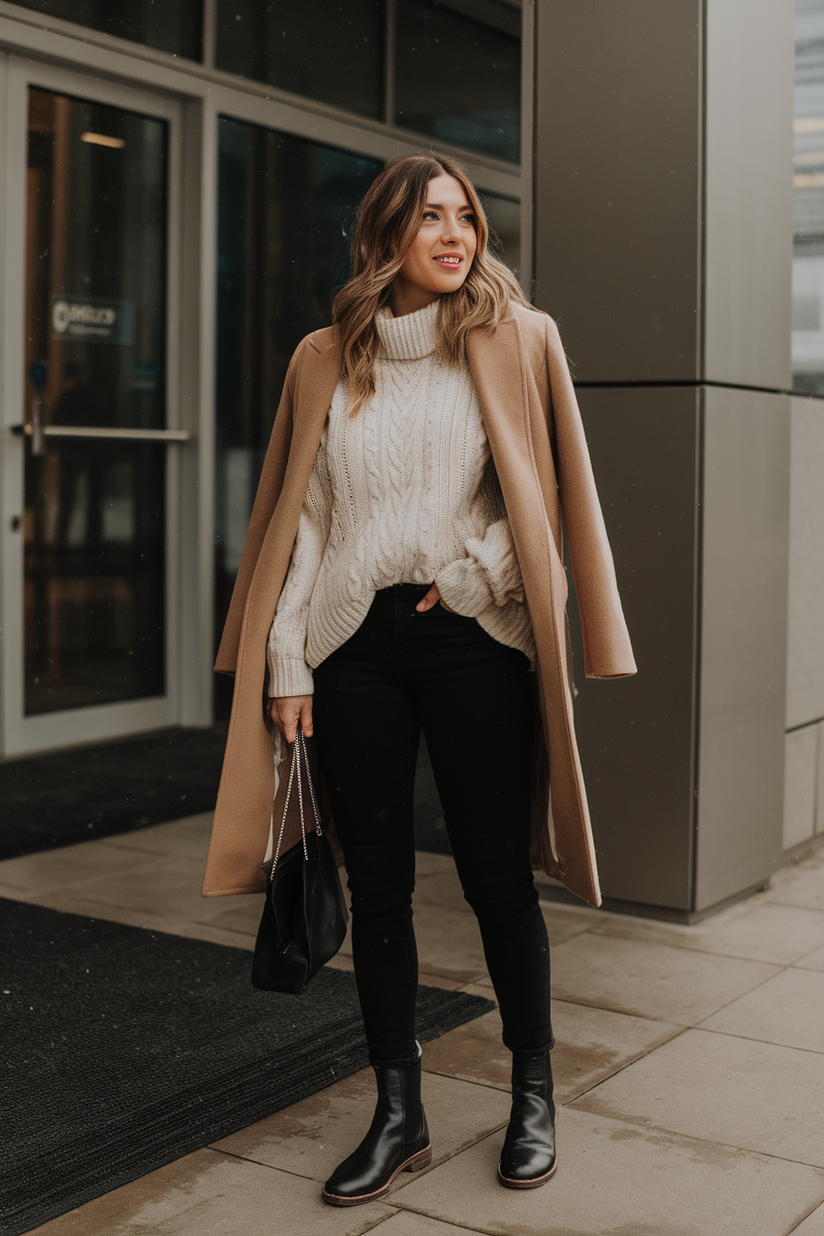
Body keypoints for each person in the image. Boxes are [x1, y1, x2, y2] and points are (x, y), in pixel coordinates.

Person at [202, 154, 636, 1206]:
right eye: (429, 218)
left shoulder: (514, 336)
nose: (455, 236)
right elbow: (304, 522)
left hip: (469, 636)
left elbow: (531, 500)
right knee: (379, 889)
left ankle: (532, 1091)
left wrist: (474, 575)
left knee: (494, 878)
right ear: (381, 237)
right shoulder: (323, 355)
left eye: (465, 218)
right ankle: (399, 1110)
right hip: (352, 644)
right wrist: (288, 656)